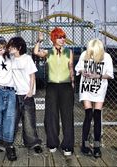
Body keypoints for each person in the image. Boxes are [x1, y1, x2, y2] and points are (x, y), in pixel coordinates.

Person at [33, 27, 75, 156]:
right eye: (59, 37)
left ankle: (67, 146)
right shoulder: (48, 52)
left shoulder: (69, 52)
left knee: (67, 116)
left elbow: (71, 68)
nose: (62, 39)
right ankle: (52, 143)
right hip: (52, 87)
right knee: (51, 116)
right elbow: (35, 52)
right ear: (53, 39)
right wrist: (39, 41)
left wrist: (72, 82)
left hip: (66, 86)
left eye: (63, 37)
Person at [75, 39, 114, 158]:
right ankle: (85, 145)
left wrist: (98, 75)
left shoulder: (106, 57)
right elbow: (78, 68)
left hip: (99, 88)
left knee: (97, 116)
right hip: (86, 87)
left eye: (93, 52)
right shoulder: (84, 54)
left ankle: (97, 147)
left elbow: (110, 74)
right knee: (88, 114)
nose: (91, 54)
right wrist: (83, 71)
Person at [7, 37, 43, 154]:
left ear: (19, 48)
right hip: (14, 94)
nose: (10, 48)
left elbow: (32, 76)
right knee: (13, 120)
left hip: (26, 94)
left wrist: (30, 91)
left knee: (29, 120)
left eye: (12, 47)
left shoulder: (27, 58)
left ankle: (33, 143)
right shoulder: (10, 59)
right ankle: (8, 142)